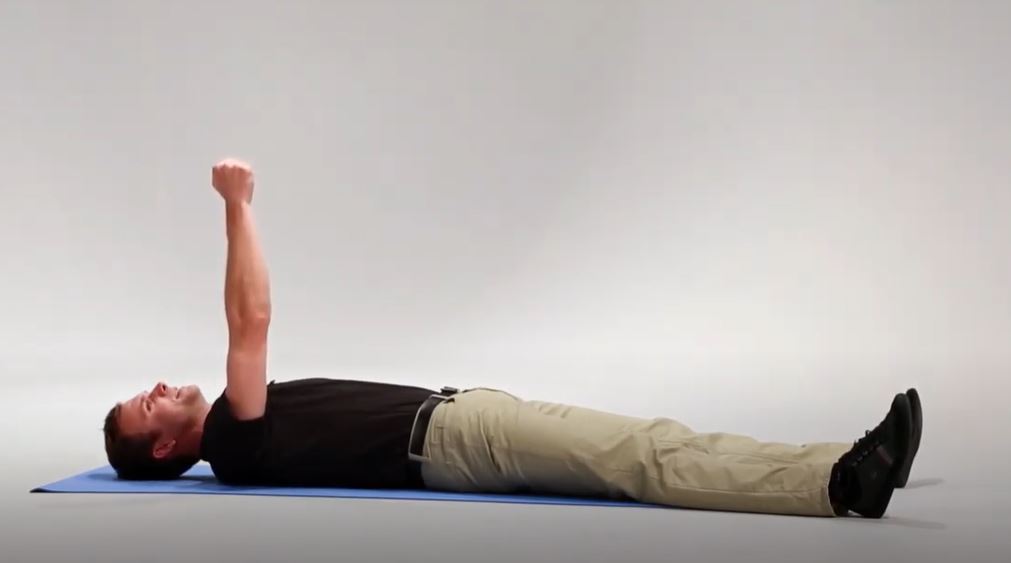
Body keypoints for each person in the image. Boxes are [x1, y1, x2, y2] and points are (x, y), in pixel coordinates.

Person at [102, 158, 924, 519]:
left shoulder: (240, 431)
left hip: (460, 420)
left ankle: (827, 460)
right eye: (148, 406)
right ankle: (842, 486)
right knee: (642, 459)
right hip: (458, 442)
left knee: (651, 443)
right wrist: (236, 204)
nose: (160, 387)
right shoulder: (235, 445)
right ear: (171, 450)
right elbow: (251, 322)